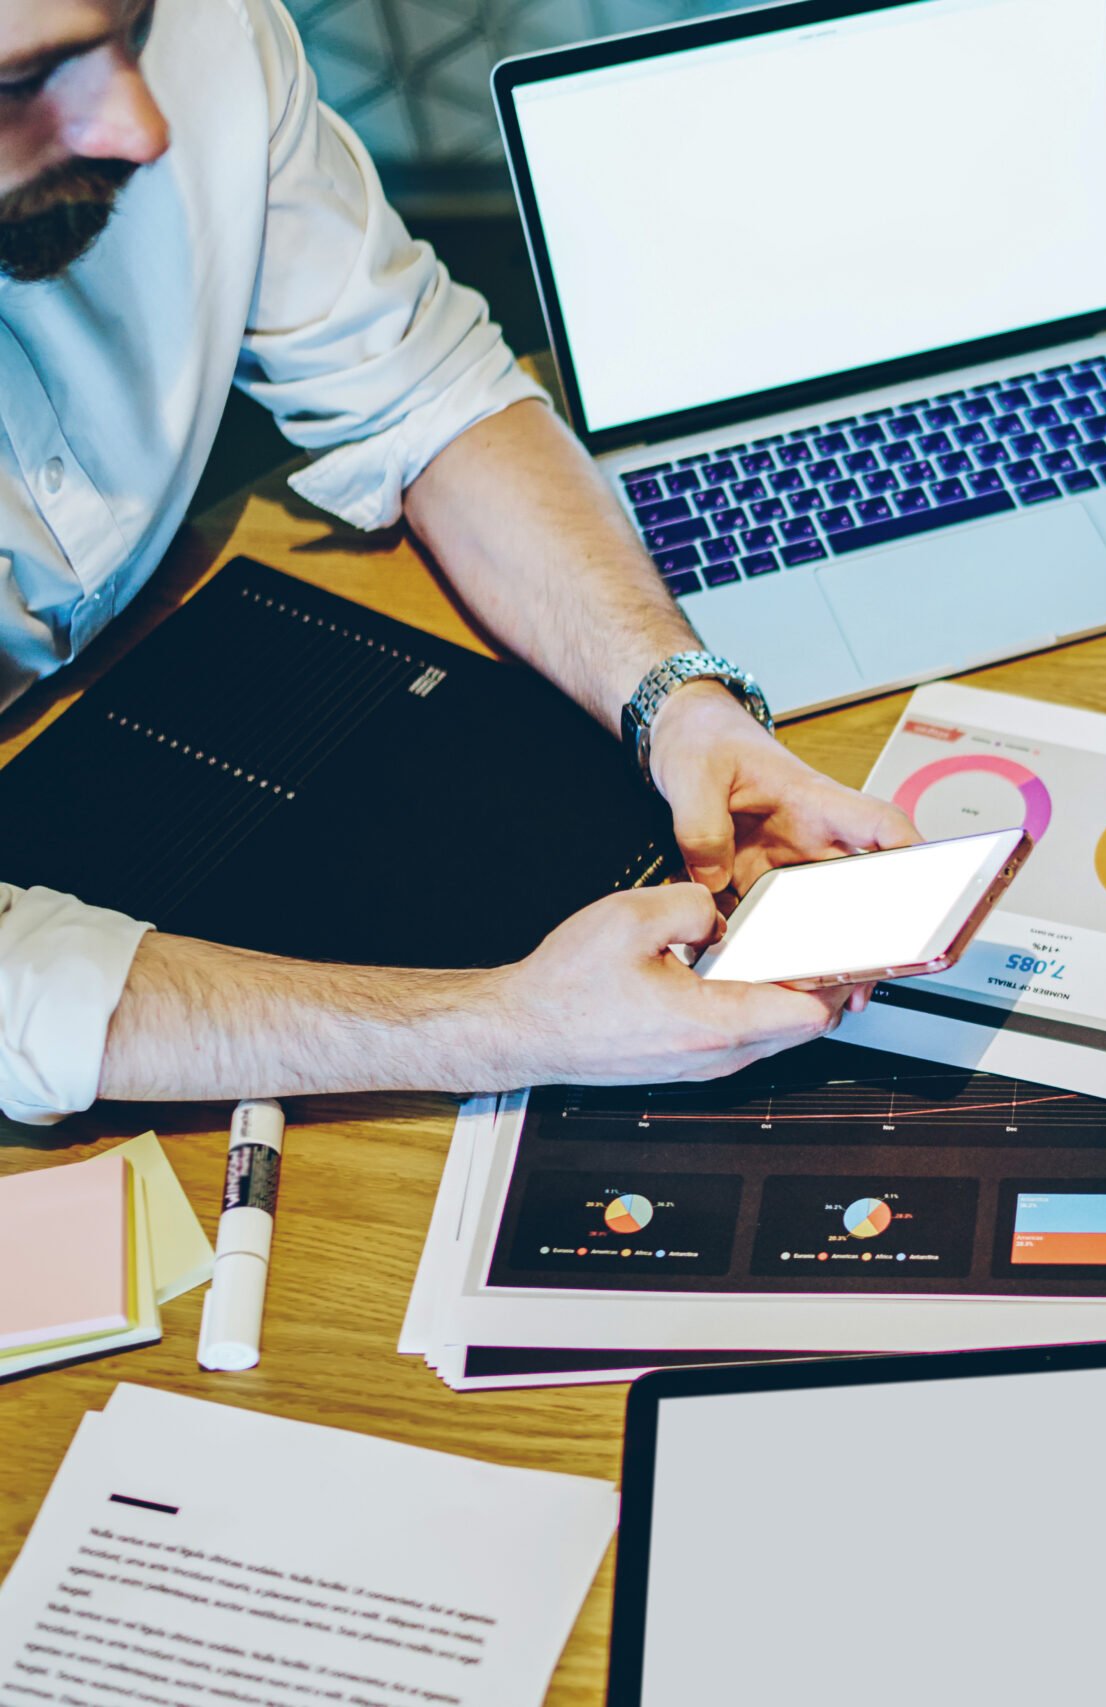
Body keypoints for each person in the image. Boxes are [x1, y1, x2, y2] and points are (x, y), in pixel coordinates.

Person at [0, 0, 918, 1128]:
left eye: (134, 29)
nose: (141, 125)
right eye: (19, 83)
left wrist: (678, 704)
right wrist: (504, 1024)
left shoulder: (209, 29)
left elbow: (421, 389)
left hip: (161, 651)